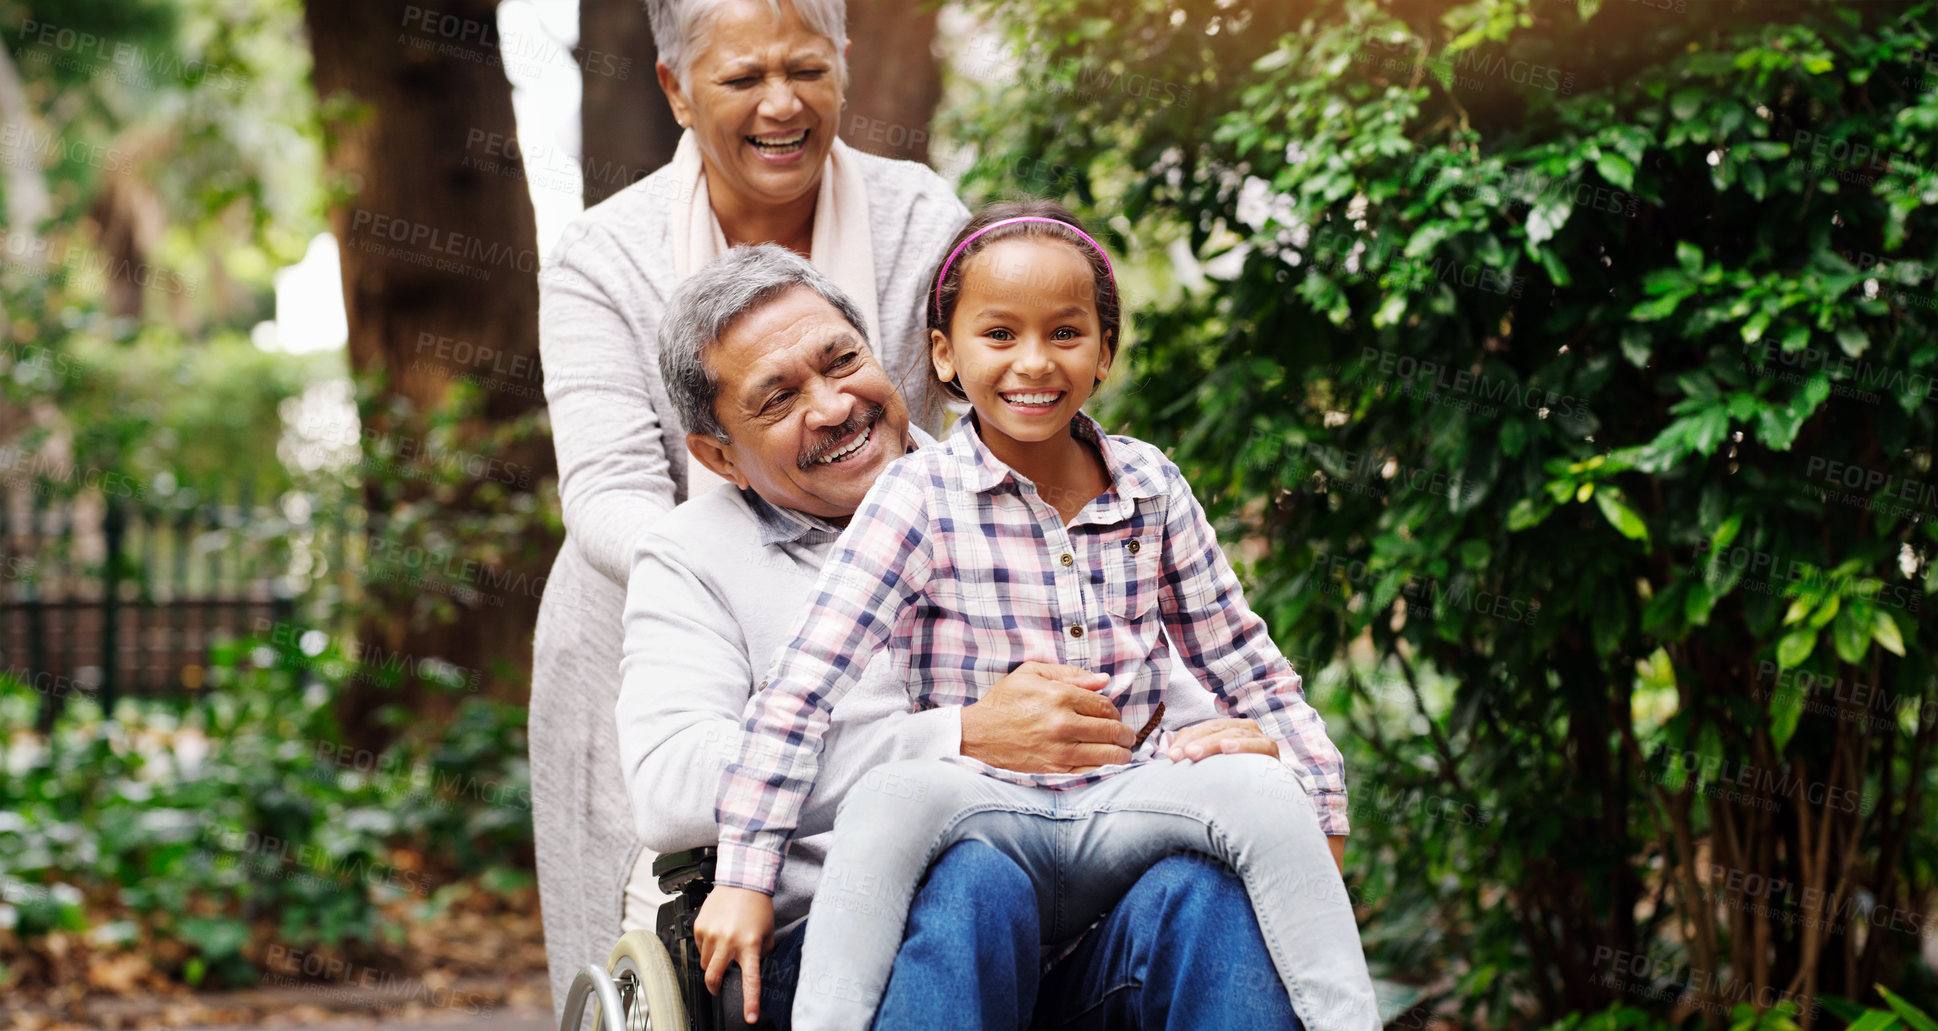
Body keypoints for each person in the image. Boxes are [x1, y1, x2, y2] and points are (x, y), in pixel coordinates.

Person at [696, 202, 1382, 1030]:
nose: (1033, 363)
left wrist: (1316, 809)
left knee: (1267, 784)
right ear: (946, 356)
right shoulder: (916, 496)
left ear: (1104, 353)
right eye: (999, 335)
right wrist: (743, 874)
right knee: (882, 800)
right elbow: (799, 692)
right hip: (978, 812)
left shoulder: (1150, 486)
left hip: (1121, 806)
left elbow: (1242, 655)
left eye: (1065, 333)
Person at [528, 0, 967, 1010]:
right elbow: (606, 491)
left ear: (845, 64)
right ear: (676, 89)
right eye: (740, 80)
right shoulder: (603, 253)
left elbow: (972, 418)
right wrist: (736, 580)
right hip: (642, 635)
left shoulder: (919, 216)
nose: (783, 104)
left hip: (890, 625)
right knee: (650, 965)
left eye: (808, 69)